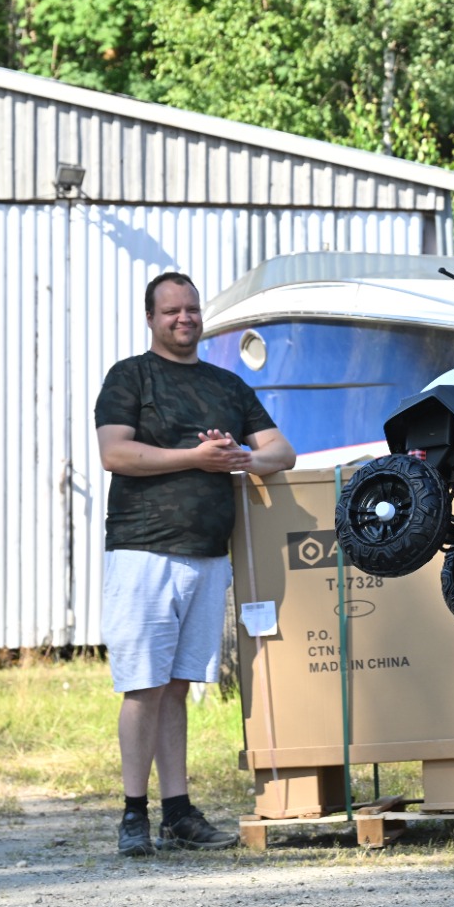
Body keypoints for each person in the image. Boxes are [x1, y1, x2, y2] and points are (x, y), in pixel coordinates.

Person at [94, 271, 294, 857]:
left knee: (178, 687)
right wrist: (195, 457)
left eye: (192, 309)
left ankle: (177, 813)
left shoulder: (227, 385)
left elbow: (282, 451)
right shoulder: (131, 376)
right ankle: (134, 814)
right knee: (143, 686)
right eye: (171, 311)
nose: (184, 318)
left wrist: (240, 458)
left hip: (208, 557)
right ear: (150, 318)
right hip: (143, 553)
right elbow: (114, 453)